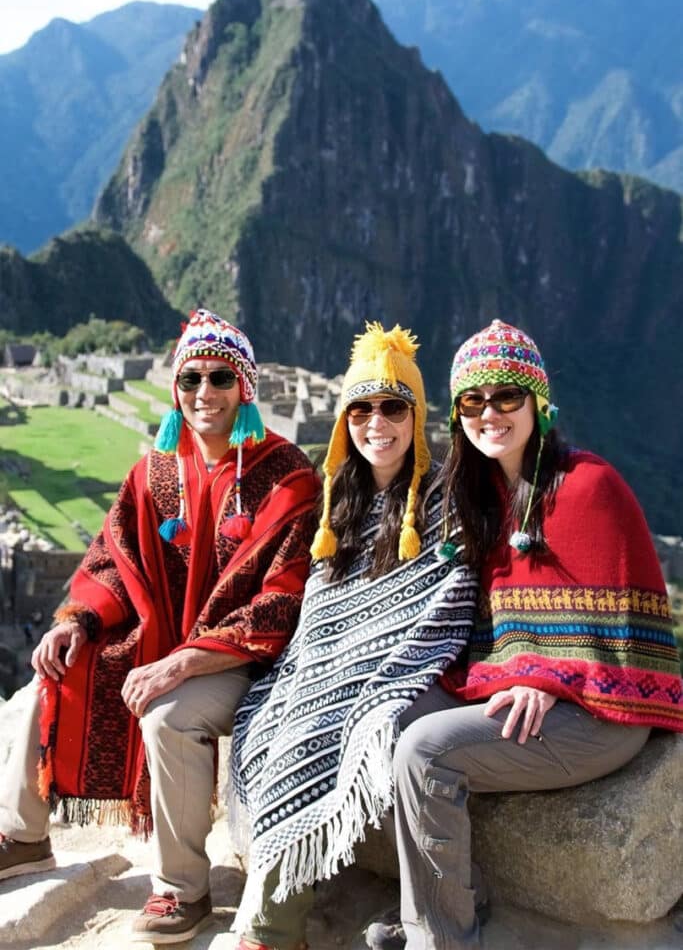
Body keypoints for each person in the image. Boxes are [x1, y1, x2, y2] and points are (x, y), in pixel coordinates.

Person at [0, 308, 320, 945]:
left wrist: (184, 661)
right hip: (165, 644)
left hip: (251, 662)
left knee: (167, 713)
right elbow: (114, 564)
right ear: (177, 388)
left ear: (245, 388)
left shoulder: (288, 480)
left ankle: (182, 887)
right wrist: (77, 620)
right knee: (57, 668)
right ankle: (24, 835)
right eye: (192, 379)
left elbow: (281, 603)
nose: (205, 394)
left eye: (221, 379)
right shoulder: (156, 473)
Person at [371, 319, 683, 950]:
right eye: (473, 401)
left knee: (425, 752)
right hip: (522, 693)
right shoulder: (482, 495)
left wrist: (549, 676)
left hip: (601, 714)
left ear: (537, 401)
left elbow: (617, 636)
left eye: (506, 397)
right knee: (386, 717)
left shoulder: (588, 487)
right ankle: (453, 900)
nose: (490, 414)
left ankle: (441, 939)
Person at [230, 323, 478, 950]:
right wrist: (318, 668)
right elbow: (322, 612)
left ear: (416, 416)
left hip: (412, 671)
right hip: (329, 664)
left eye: (394, 408)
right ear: (345, 420)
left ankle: (269, 931)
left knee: (326, 724)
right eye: (362, 409)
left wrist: (374, 673)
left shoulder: (447, 500)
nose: (377, 423)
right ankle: (273, 908)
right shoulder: (340, 500)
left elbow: (446, 604)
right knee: (276, 717)